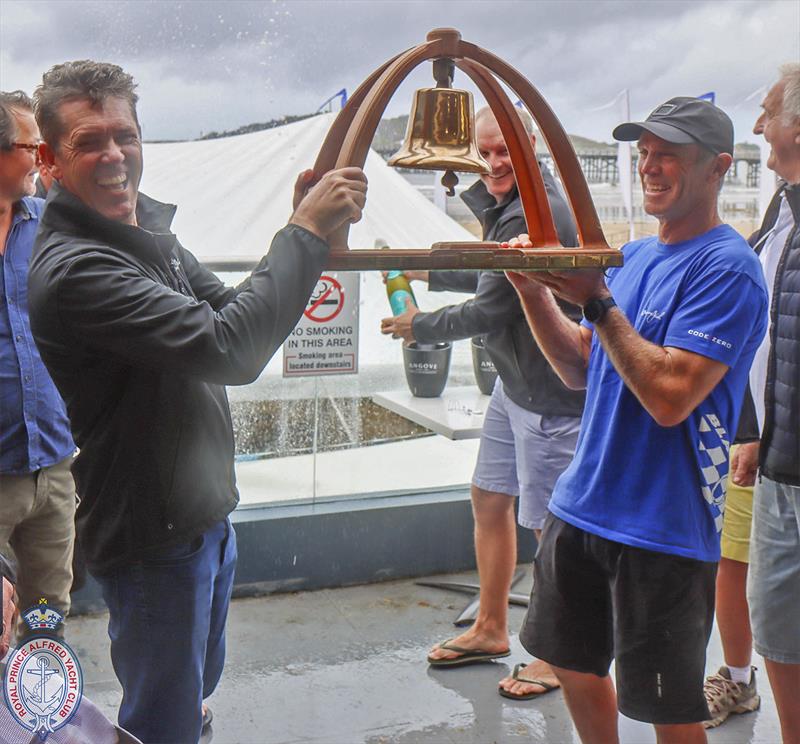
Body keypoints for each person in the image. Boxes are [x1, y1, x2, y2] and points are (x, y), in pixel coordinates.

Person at [27, 60, 367, 744]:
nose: (115, 154)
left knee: (195, 687)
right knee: (162, 717)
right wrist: (301, 233)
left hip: (204, 513)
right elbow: (231, 349)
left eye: (125, 135)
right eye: (89, 141)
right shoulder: (75, 270)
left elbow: (233, 311)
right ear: (48, 159)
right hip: (153, 534)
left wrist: (306, 237)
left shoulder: (146, 233)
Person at [505, 97, 768, 743]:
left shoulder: (729, 269)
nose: (650, 166)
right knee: (569, 662)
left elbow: (671, 395)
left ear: (719, 169)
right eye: (644, 152)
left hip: (663, 533)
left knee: (668, 710)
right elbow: (580, 367)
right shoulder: (637, 257)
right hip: (581, 507)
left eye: (668, 154)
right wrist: (532, 292)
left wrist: (595, 298)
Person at [381, 106, 583, 700]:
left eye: (505, 154)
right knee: (490, 498)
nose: (494, 164)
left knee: (553, 530)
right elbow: (496, 273)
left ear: (533, 150)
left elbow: (494, 309)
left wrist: (420, 325)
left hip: (550, 395)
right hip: (513, 385)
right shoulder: (514, 205)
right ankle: (492, 627)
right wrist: (430, 269)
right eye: (486, 153)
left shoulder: (533, 211)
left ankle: (557, 656)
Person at [0, 90, 76, 643]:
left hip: (52, 465)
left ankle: (40, 721)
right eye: (33, 146)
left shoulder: (50, 224)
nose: (42, 157)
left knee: (48, 621)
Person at [746, 62, 800, 744]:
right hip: (779, 471)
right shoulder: (781, 213)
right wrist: (752, 428)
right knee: (779, 626)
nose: (759, 126)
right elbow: (768, 340)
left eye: (767, 113)